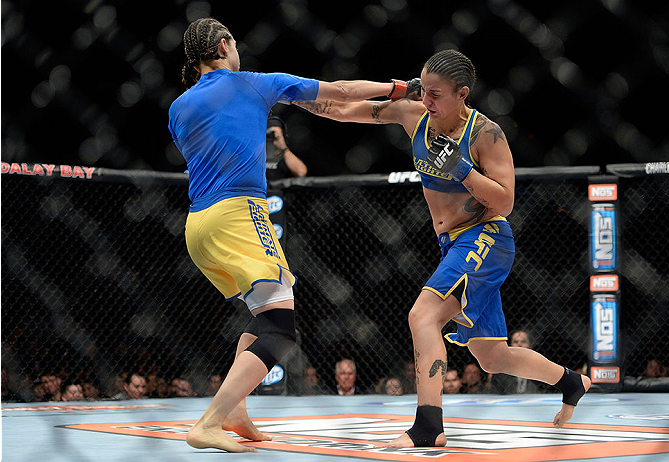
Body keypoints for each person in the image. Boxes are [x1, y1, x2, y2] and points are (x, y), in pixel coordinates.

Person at [293, 48, 591, 448]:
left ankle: (428, 427)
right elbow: (345, 111)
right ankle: (572, 381)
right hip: (452, 244)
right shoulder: (414, 115)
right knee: (492, 357)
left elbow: (504, 203)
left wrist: (462, 169)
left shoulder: (486, 135)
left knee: (423, 316)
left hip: (486, 237)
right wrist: (290, 94)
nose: (425, 100)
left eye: (435, 94)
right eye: (423, 89)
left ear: (462, 94)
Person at [168, 17, 401, 454]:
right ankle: (210, 422)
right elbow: (343, 91)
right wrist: (395, 89)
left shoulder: (178, 106)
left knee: (262, 317)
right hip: (239, 213)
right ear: (223, 45)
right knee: (281, 328)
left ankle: (235, 410)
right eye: (234, 43)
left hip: (197, 225)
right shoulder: (253, 83)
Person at [490, 330, 547, 394]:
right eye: (515, 342)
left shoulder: (540, 369)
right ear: (510, 346)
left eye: (523, 341)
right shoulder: (500, 371)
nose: (519, 345)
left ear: (530, 346)